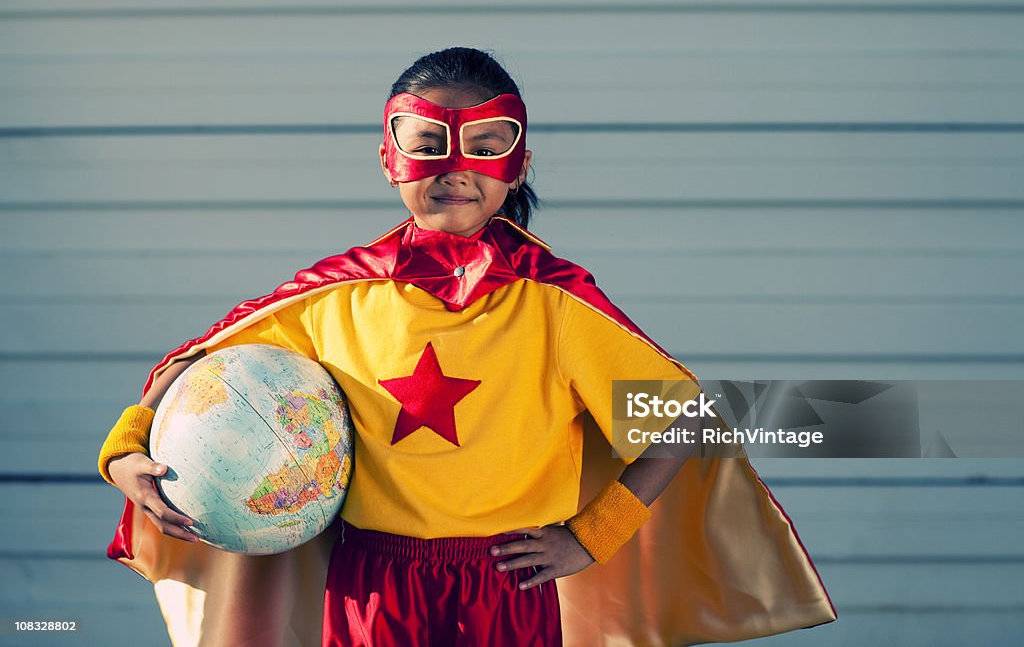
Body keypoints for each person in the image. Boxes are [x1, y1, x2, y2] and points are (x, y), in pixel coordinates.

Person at [99, 47, 836, 647]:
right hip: (372, 582)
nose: (455, 167)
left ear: (515, 161)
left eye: (484, 147)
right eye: (428, 146)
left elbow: (687, 418)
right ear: (389, 158)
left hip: (506, 584)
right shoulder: (335, 296)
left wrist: (593, 534)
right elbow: (198, 364)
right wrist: (129, 446)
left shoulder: (554, 300)